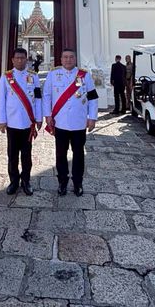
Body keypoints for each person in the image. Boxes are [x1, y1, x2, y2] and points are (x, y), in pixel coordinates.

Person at [43, 48, 98, 196]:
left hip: (79, 123)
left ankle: (78, 183)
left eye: (71, 57)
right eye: (65, 57)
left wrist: (92, 117)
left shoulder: (84, 76)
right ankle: (62, 182)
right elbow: (47, 96)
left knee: (79, 154)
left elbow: (93, 98)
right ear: (61, 59)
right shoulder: (53, 75)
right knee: (61, 154)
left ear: (75, 59)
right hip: (60, 122)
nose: (68, 60)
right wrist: (47, 115)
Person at [0, 48, 42, 196]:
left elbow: (38, 99)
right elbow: (1, 100)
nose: (19, 60)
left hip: (28, 123)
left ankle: (26, 181)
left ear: (26, 60)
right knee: (12, 155)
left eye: (22, 58)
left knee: (26, 155)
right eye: (17, 58)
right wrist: (2, 120)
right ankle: (14, 181)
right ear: (12, 60)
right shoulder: (6, 77)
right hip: (12, 122)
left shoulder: (33, 76)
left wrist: (39, 118)